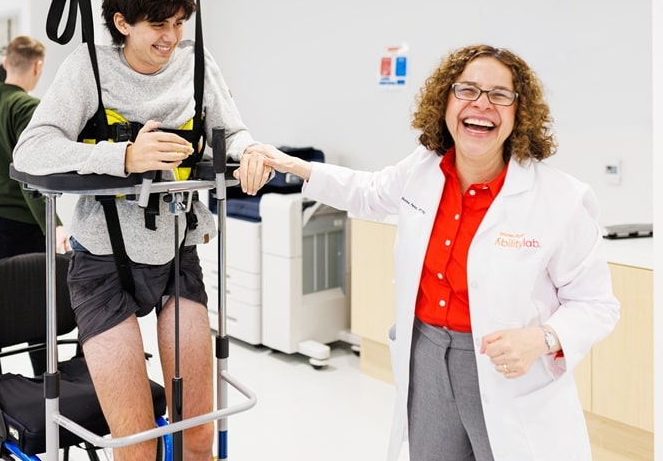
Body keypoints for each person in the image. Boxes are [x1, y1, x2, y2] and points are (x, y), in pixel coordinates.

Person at [257, 44, 620, 461]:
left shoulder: (560, 199)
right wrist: (293, 165)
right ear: (446, 101)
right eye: (467, 90)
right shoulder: (423, 168)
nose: (481, 105)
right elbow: (370, 193)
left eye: (500, 95)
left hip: (506, 369)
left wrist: (543, 339)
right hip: (426, 357)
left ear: (520, 114)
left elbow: (597, 305)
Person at [12, 0, 272, 461]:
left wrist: (251, 151)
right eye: (158, 24)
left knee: (197, 433)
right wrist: (123, 157)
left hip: (178, 255)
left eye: (178, 23)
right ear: (123, 23)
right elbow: (31, 150)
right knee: (137, 444)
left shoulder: (198, 64)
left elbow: (234, 132)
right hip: (103, 265)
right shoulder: (89, 67)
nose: (171, 37)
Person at [0, 35, 70, 376]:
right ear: (38, 67)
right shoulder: (27, 109)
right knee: (38, 314)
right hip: (22, 230)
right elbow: (31, 176)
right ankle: (45, 390)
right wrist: (53, 226)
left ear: (6, 63)